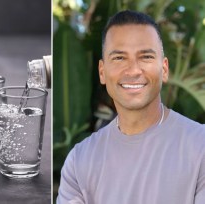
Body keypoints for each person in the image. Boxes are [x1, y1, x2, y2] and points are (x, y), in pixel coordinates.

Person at [56, 10, 205, 204]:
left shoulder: (200, 146)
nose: (133, 70)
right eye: (119, 58)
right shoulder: (80, 160)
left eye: (146, 57)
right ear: (102, 72)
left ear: (164, 69)